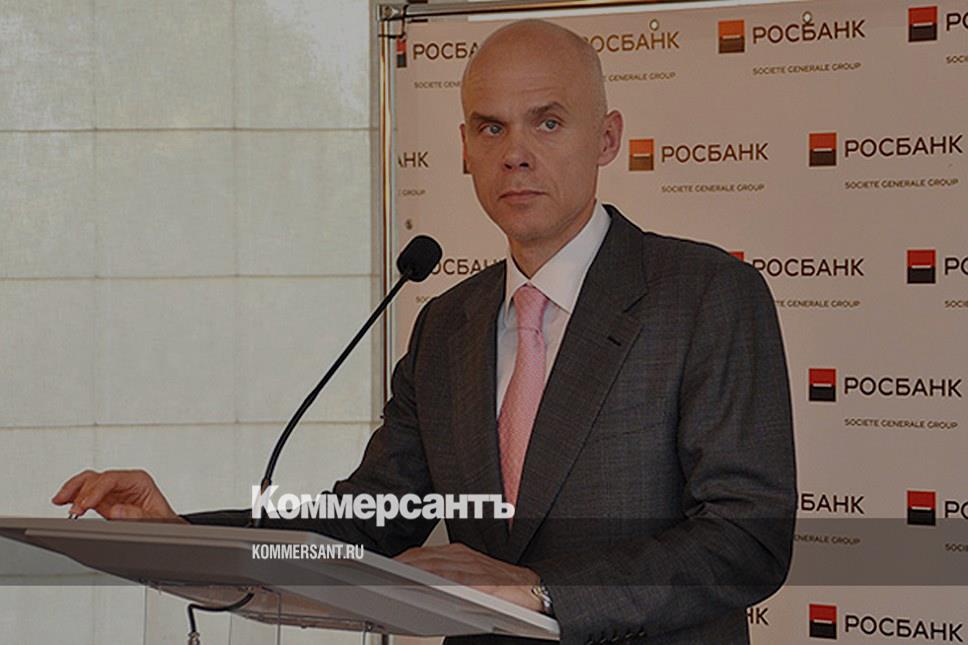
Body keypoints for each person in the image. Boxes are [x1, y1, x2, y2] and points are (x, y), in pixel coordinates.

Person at [53, 20, 796, 645]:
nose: (515, 152)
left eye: (547, 122)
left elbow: (746, 538)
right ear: (464, 148)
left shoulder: (705, 295)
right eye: (490, 127)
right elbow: (371, 519)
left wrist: (540, 591)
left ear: (607, 139)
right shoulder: (446, 325)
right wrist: (182, 535)